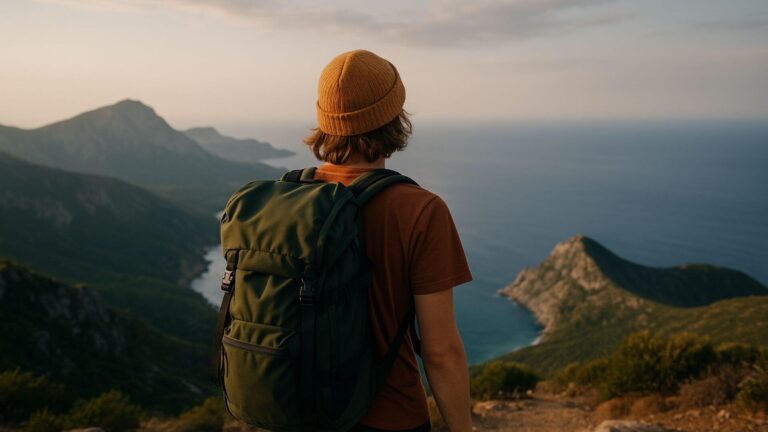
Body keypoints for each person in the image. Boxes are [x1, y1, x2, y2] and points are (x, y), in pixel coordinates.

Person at [304, 49, 474, 432]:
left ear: (325, 120)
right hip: (390, 417)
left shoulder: (290, 198)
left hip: (298, 409)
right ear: (393, 118)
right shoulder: (420, 210)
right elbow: (441, 351)